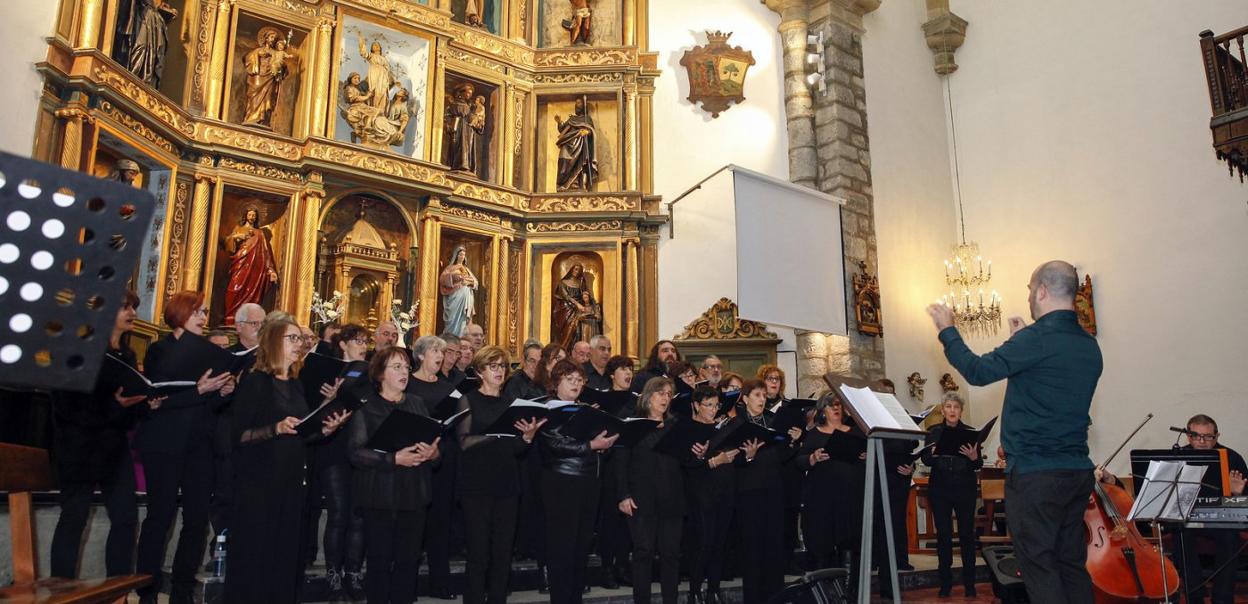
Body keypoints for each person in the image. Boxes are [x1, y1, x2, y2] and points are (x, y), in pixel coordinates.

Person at [927, 260, 1102, 604]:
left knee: (1039, 565)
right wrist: (1021, 343)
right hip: (1076, 471)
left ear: (1042, 291)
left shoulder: (1036, 339)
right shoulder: (1088, 345)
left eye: (1030, 290)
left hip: (1037, 476)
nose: (1029, 297)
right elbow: (1049, 387)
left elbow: (977, 371)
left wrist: (947, 329)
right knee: (1070, 564)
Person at [225, 319, 351, 602]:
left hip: (291, 480)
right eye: (292, 338)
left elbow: (300, 432)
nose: (300, 344)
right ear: (273, 342)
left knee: (285, 553)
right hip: (259, 482)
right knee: (258, 552)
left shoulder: (295, 385)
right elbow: (239, 435)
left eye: (300, 339)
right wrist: (275, 428)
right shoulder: (256, 381)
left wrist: (325, 429)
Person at [50, 291, 161, 579]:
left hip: (114, 448)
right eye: (125, 307)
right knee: (74, 518)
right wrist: (114, 405)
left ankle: (117, 591)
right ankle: (60, 590)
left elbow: (126, 410)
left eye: (134, 307)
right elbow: (66, 406)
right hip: (79, 447)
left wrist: (144, 404)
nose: (132, 313)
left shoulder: (127, 355)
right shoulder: (78, 350)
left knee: (125, 518)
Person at [135, 291, 236, 604]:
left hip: (199, 445)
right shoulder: (159, 350)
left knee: (196, 521)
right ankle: (147, 590)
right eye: (198, 312)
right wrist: (199, 390)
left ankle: (182, 590)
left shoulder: (210, 353)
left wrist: (223, 392)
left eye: (204, 312)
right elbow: (156, 400)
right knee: (160, 517)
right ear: (180, 312)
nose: (204, 318)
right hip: (164, 443)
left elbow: (211, 407)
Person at [346, 347, 441, 604]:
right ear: (380, 373)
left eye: (406, 367)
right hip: (380, 495)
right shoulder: (366, 406)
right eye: (396, 367)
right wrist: (393, 459)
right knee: (379, 562)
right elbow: (355, 453)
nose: (404, 372)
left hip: (414, 493)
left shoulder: (417, 403)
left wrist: (433, 453)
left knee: (408, 562)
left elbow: (433, 447)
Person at [457, 346, 545, 604]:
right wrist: (495, 434)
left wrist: (527, 438)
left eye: (503, 366)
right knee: (478, 552)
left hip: (507, 484)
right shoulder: (468, 400)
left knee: (503, 552)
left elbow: (515, 448)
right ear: (480, 371)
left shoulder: (510, 404)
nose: (499, 371)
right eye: (493, 366)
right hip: (476, 486)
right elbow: (464, 442)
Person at [539, 360, 619, 603]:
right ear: (556, 383)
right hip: (562, 483)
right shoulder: (547, 409)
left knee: (581, 547)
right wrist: (591, 445)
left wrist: (604, 444)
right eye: (569, 379)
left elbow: (593, 442)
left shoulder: (584, 410)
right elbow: (554, 444)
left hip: (589, 482)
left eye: (579, 380)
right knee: (562, 548)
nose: (576, 384)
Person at [731, 378, 803, 603]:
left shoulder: (772, 420)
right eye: (757, 395)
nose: (762, 399)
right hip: (748, 491)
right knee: (752, 547)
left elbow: (781, 456)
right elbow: (732, 461)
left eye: (763, 395)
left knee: (774, 545)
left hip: (773, 488)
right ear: (745, 399)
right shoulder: (737, 424)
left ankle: (775, 597)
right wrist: (748, 456)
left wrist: (793, 442)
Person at [615, 377, 684, 604]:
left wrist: (698, 452)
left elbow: (686, 461)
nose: (665, 398)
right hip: (641, 498)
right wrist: (623, 495)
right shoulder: (633, 425)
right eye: (660, 393)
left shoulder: (676, 425)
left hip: (671, 498)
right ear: (647, 396)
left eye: (668, 394)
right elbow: (620, 462)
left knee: (671, 555)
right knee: (643, 553)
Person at [315, 324, 370, 600]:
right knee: (338, 514)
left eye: (365, 341)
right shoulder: (326, 371)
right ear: (343, 344)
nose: (363, 346)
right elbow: (313, 414)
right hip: (334, 447)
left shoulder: (370, 373)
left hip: (360, 448)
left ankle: (353, 574)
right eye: (357, 341)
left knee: (358, 516)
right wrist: (329, 399)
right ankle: (333, 576)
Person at [406, 335, 461, 600]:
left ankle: (440, 583)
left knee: (440, 522)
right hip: (413, 459)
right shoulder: (407, 383)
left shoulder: (449, 388)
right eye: (435, 352)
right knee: (413, 525)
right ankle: (407, 585)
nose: (440, 357)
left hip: (442, 458)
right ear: (420, 355)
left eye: (442, 352)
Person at [1173, 414, 1246, 604]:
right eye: (1196, 436)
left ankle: (1222, 598)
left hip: (1220, 520)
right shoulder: (1177, 456)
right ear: (1188, 436)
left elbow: (1243, 506)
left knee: (1230, 536)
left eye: (1208, 436)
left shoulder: (1232, 458)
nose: (1202, 441)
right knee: (1180, 534)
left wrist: (1237, 493)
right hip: (1186, 518)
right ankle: (1195, 596)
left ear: (1217, 436)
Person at [921, 391, 982, 597]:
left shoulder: (970, 432)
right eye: (948, 406)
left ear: (961, 411)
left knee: (966, 535)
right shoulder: (933, 432)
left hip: (965, 489)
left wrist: (973, 457)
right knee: (944, 536)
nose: (952, 410)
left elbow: (978, 463)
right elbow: (926, 460)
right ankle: (945, 584)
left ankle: (970, 585)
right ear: (943, 411)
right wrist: (933, 453)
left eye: (956, 407)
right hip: (940, 489)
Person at [796, 393, 865, 573]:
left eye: (838, 404)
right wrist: (813, 457)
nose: (835, 408)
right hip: (821, 497)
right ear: (822, 411)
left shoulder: (856, 433)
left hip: (849, 495)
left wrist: (865, 456)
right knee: (822, 541)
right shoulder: (814, 434)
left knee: (849, 540)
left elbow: (867, 460)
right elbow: (800, 461)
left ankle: (848, 586)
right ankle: (824, 586)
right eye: (830, 405)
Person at [684, 386, 738, 604]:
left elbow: (736, 457)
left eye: (716, 405)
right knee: (704, 542)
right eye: (709, 405)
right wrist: (715, 461)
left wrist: (747, 455)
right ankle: (694, 591)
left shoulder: (723, 427)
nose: (714, 410)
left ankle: (713, 590)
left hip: (725, 489)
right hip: (701, 492)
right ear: (696, 405)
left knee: (720, 542)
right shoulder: (688, 428)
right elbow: (687, 464)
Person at [596, 354, 639, 589]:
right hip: (609, 464)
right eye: (623, 369)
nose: (628, 373)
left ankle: (623, 566)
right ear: (612, 374)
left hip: (632, 465)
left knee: (627, 522)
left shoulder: (637, 400)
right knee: (610, 521)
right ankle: (607, 569)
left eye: (630, 369)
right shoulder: (603, 400)